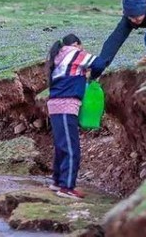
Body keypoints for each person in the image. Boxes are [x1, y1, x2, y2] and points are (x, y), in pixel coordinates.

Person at [46, 33, 105, 199]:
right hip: (66, 105)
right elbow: (99, 63)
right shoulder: (74, 53)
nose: (83, 50)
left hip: (55, 105)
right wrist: (92, 76)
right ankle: (67, 187)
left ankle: (57, 181)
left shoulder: (58, 56)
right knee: (72, 148)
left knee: (61, 145)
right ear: (77, 44)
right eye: (82, 47)